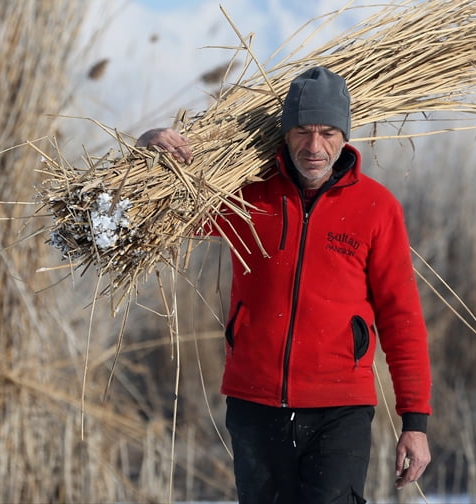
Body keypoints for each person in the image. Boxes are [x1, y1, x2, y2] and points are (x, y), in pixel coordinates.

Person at [138, 66, 431, 503]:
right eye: (302, 132)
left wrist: (415, 422)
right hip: (254, 403)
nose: (314, 147)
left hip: (340, 407)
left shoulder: (376, 207)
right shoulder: (245, 196)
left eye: (327, 133)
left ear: (345, 135)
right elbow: (159, 211)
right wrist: (148, 147)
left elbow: (401, 317)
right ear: (285, 133)